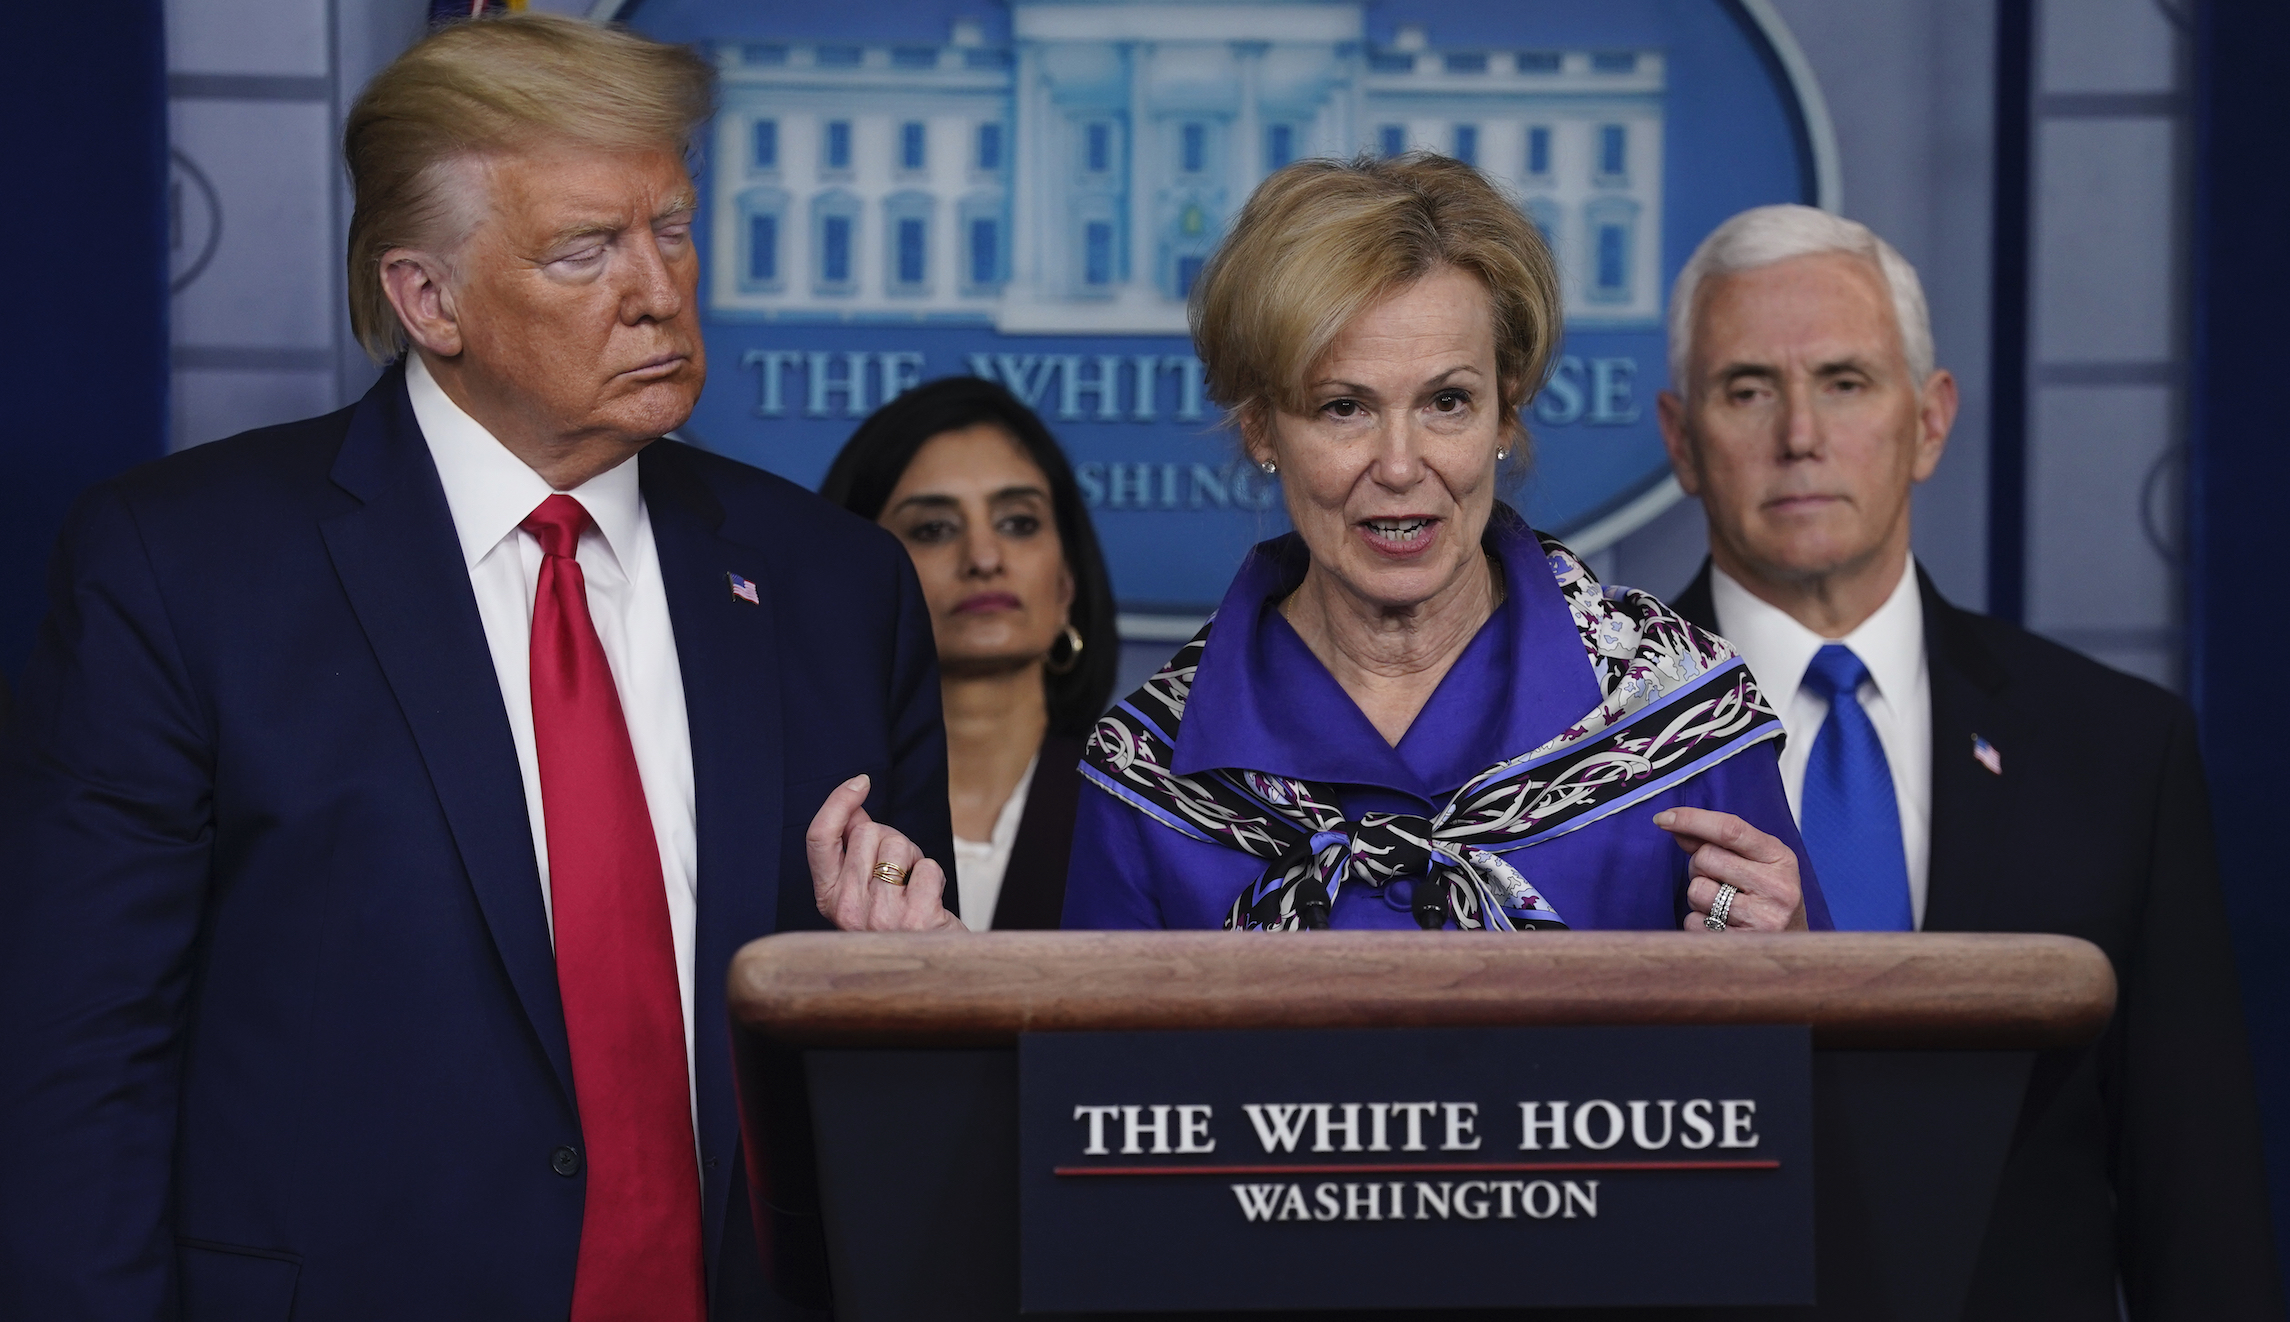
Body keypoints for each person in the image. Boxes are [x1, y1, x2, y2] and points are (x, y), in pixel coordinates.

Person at [0, 15, 953, 1322]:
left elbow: (910, 1081)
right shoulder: (181, 569)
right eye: (584, 250)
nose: (658, 288)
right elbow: (84, 1062)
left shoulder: (834, 587)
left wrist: (903, 983)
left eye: (670, 227)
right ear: (426, 298)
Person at [1658, 204, 2282, 1316]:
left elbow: (2197, 1210)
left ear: (1930, 421)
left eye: (1845, 381)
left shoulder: (2119, 751)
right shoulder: (1573, 753)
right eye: (1747, 388)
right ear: (1678, 440)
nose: (1799, 431)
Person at [821, 377, 1118, 929]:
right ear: (852, 576)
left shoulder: (1146, 813)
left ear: (1067, 584)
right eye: (934, 529)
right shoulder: (815, 818)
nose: (983, 557)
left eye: (1017, 523)